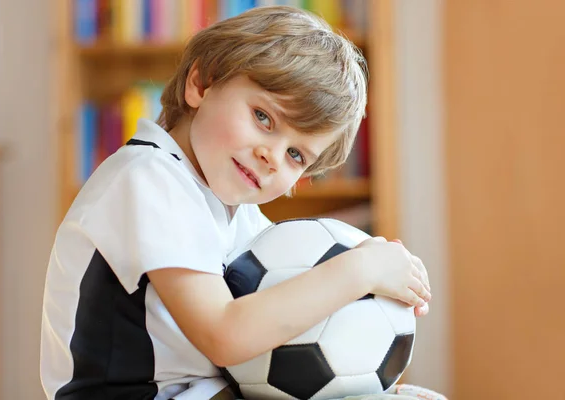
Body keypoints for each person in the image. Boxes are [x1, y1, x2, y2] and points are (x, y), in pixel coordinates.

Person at [40, 5, 433, 400]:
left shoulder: (233, 209)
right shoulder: (147, 178)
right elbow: (224, 334)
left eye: (296, 155)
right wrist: (359, 270)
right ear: (202, 83)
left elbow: (286, 305)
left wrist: (375, 268)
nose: (272, 157)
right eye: (263, 117)